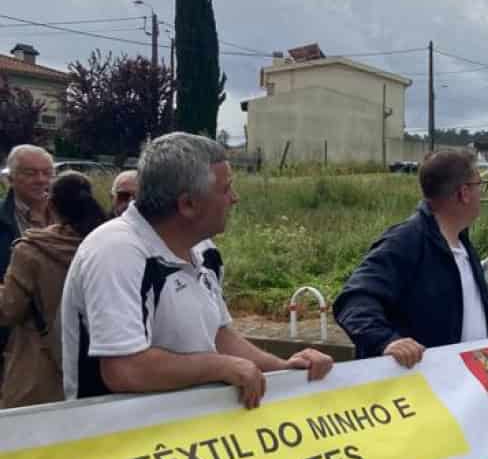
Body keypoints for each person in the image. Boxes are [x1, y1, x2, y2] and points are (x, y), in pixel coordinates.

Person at [62, 133, 334, 405]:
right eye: (226, 189)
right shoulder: (114, 252)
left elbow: (218, 334)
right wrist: (220, 366)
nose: (235, 199)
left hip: (186, 429)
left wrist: (283, 369)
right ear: (188, 205)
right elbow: (125, 370)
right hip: (119, 438)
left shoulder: (203, 249)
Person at [336, 149, 488, 368]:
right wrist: (386, 341)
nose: (482, 193)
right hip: (427, 388)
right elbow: (354, 300)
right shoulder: (405, 242)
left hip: (466, 385)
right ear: (464, 193)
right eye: (480, 185)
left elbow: (478, 301)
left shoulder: (461, 242)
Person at [0, 172, 107, 408]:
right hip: (96, 363)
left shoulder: (31, 251)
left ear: (51, 204)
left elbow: (8, 309)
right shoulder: (106, 244)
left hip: (39, 366)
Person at [1, 144, 54, 376]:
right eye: (30, 173)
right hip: (10, 337)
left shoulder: (70, 216)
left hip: (58, 333)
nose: (41, 180)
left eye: (47, 173)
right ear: (10, 178)